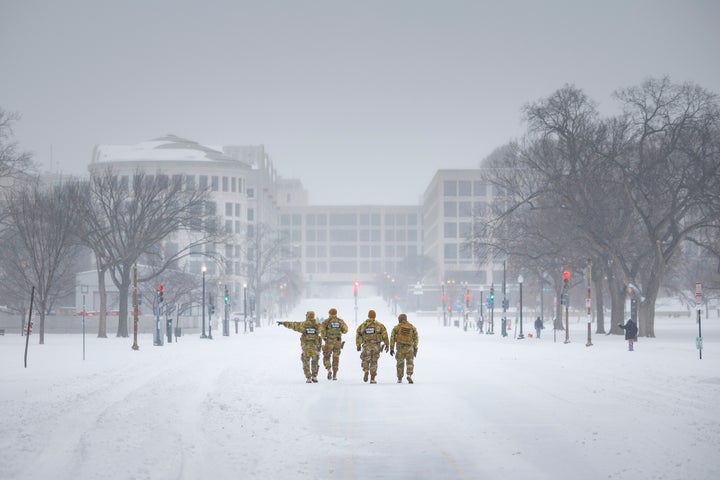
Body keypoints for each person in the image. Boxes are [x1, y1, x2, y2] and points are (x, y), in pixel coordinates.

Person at [278, 311, 322, 382]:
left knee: (305, 362)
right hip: (315, 347)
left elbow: (293, 325)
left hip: (306, 347)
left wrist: (283, 323)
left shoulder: (303, 324)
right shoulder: (318, 325)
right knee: (315, 362)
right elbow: (324, 330)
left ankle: (308, 378)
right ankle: (314, 376)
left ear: (307, 316)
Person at [355, 309, 389, 384]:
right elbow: (385, 335)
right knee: (374, 362)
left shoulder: (363, 325)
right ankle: (372, 379)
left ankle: (366, 370)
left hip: (366, 346)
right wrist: (387, 344)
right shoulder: (379, 325)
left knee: (365, 359)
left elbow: (358, 335)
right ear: (375, 316)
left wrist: (358, 344)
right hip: (376, 346)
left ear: (368, 316)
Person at [389, 313, 419, 384]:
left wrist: (391, 348)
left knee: (400, 363)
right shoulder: (412, 327)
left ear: (399, 319)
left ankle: (399, 378)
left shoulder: (397, 327)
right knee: (410, 362)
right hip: (409, 348)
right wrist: (415, 347)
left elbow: (392, 338)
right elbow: (416, 338)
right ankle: (409, 375)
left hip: (400, 348)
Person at [320, 308, 349, 380]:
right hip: (338, 342)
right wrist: (339, 331)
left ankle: (329, 369)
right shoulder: (340, 321)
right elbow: (345, 330)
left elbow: (322, 330)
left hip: (329, 341)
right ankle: (335, 375)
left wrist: (324, 337)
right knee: (336, 358)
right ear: (336, 314)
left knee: (326, 356)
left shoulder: (326, 321)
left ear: (329, 314)